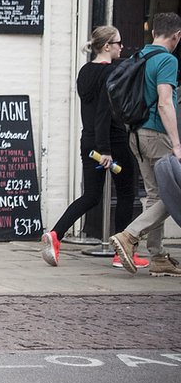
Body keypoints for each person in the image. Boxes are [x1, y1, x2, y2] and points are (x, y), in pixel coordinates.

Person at [40, 26, 141, 268]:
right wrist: (106, 150)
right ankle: (121, 253)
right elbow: (104, 114)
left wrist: (97, 145)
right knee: (127, 193)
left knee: (92, 195)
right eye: (118, 42)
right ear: (107, 46)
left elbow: (91, 113)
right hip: (112, 141)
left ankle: (55, 235)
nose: (121, 47)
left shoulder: (85, 71)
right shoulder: (112, 73)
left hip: (89, 140)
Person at [109, 12, 181, 276]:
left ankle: (158, 256)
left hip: (136, 135)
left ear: (153, 33)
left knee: (155, 195)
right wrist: (177, 144)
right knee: (174, 195)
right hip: (157, 134)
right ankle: (129, 235)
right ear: (177, 35)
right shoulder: (167, 60)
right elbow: (164, 102)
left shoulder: (139, 56)